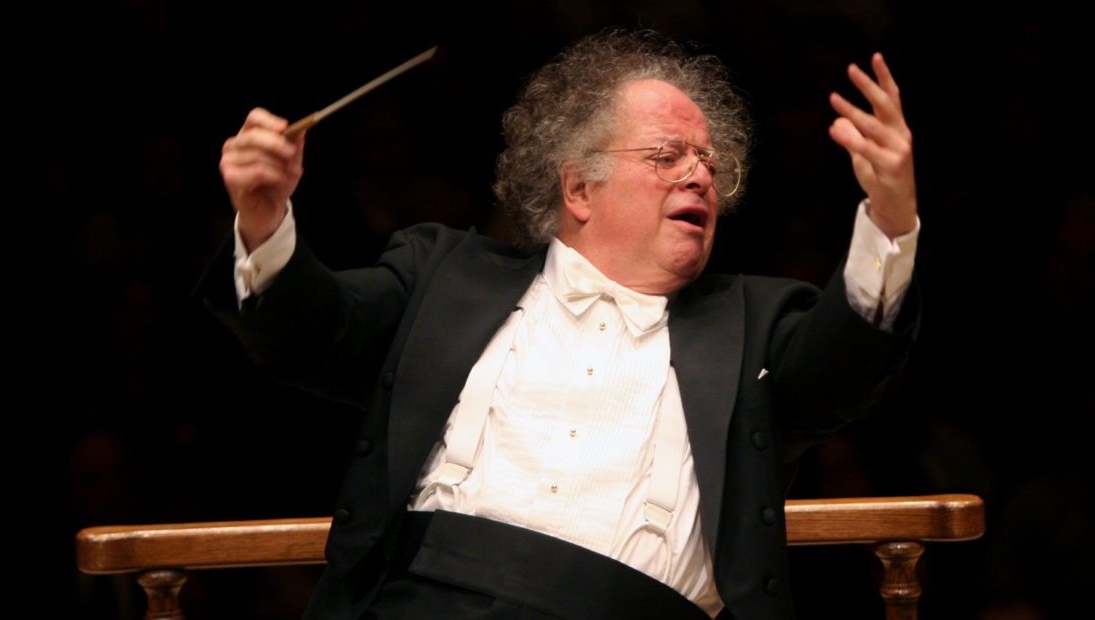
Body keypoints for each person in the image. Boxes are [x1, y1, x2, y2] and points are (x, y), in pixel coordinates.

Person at [198, 25, 919, 620]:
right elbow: (309, 336)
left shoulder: (755, 326)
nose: (700, 176)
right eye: (668, 157)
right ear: (579, 186)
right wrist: (261, 221)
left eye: (710, 163)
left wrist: (890, 218)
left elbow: (843, 365)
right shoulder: (445, 276)